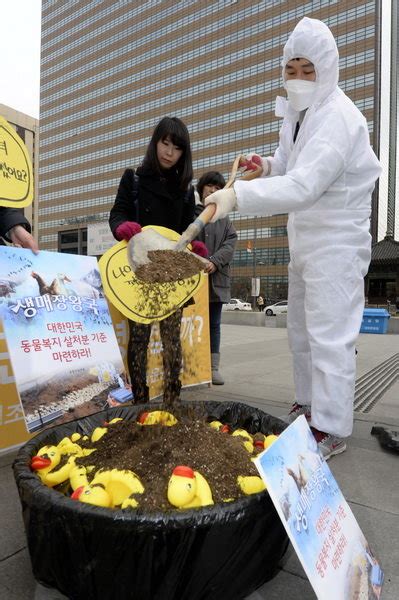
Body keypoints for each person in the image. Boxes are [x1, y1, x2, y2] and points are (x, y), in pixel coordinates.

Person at [204, 17, 382, 459]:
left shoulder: (340, 118)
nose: (299, 78)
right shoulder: (299, 114)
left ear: (328, 70)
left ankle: (332, 426)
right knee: (300, 333)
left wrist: (235, 197)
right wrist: (263, 166)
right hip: (305, 242)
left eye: (309, 70)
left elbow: (305, 185)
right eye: (291, 69)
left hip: (337, 244)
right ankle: (308, 406)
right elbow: (288, 164)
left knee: (329, 336)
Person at [109, 116, 207, 404]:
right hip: (140, 271)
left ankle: (172, 401)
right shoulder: (134, 178)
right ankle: (140, 403)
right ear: (155, 143)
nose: (168, 152)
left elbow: (188, 225)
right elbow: (118, 213)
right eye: (164, 143)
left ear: (183, 153)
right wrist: (121, 228)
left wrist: (195, 243)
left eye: (176, 148)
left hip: (172, 276)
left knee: (171, 339)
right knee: (139, 339)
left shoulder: (186, 189)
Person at [195, 171, 237, 385]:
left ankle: (213, 368)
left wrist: (214, 261)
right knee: (191, 323)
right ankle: (192, 366)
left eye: (218, 188)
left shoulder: (225, 218)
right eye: (209, 186)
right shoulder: (193, 213)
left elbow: (230, 243)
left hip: (217, 280)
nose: (213, 190)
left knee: (214, 325)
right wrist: (201, 260)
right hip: (194, 280)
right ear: (201, 189)